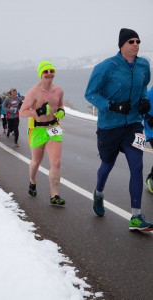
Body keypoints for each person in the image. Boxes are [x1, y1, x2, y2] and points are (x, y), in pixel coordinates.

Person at [85, 28, 153, 232]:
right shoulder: (106, 67)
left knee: (137, 166)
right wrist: (111, 105)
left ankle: (136, 216)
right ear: (122, 45)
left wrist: (143, 102)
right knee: (107, 164)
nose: (136, 44)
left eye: (138, 41)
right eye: (131, 41)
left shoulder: (143, 65)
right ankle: (98, 193)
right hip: (109, 126)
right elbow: (90, 94)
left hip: (133, 124)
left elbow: (143, 86)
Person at [19, 61, 65, 205]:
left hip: (53, 128)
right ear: (40, 74)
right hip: (37, 129)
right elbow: (22, 112)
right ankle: (32, 181)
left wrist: (62, 111)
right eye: (45, 71)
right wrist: (38, 111)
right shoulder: (33, 92)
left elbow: (60, 104)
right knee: (36, 161)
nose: (49, 73)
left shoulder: (59, 90)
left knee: (56, 163)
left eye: (51, 71)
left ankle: (54, 195)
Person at [143, 86, 153, 193]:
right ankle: (151, 179)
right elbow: (141, 111)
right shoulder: (149, 94)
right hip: (152, 132)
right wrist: (148, 118)